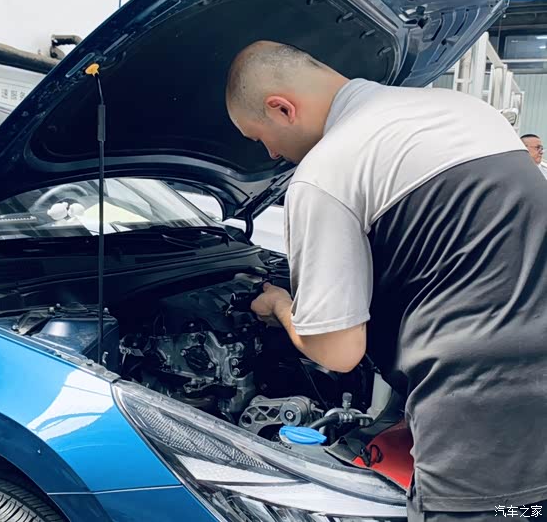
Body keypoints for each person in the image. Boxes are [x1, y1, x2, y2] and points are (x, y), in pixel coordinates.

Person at [225, 40, 547, 521]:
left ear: (282, 108)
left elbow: (338, 352)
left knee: (503, 514)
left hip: (483, 421)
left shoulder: (327, 171)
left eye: (259, 138)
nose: (270, 153)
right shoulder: (466, 111)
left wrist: (280, 306)